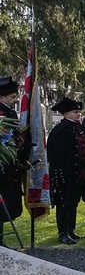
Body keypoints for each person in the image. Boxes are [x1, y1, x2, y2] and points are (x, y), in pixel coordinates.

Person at [47, 97, 85, 244]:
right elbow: (55, 156)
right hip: (65, 174)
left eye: (79, 112)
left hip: (80, 173)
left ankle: (71, 230)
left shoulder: (80, 129)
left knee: (73, 203)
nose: (78, 114)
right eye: (75, 112)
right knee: (63, 203)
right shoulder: (60, 131)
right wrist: (61, 174)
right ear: (66, 114)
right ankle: (63, 233)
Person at [0, 76, 24, 246]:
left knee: (7, 202)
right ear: (1, 97)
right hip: (2, 163)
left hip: (10, 164)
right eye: (12, 97)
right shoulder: (2, 114)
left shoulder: (10, 112)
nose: (15, 100)